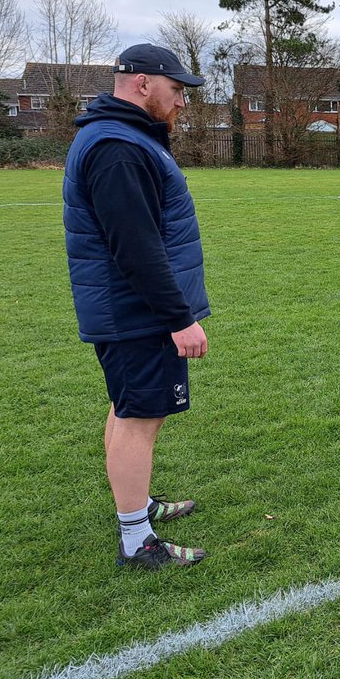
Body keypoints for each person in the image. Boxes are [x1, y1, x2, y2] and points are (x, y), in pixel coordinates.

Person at [63, 44, 210, 571]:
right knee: (140, 418)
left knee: (128, 407)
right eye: (177, 90)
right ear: (143, 84)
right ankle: (136, 540)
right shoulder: (118, 147)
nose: (182, 102)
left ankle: (137, 506)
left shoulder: (123, 136)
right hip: (135, 312)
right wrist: (178, 318)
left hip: (126, 309)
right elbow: (136, 246)